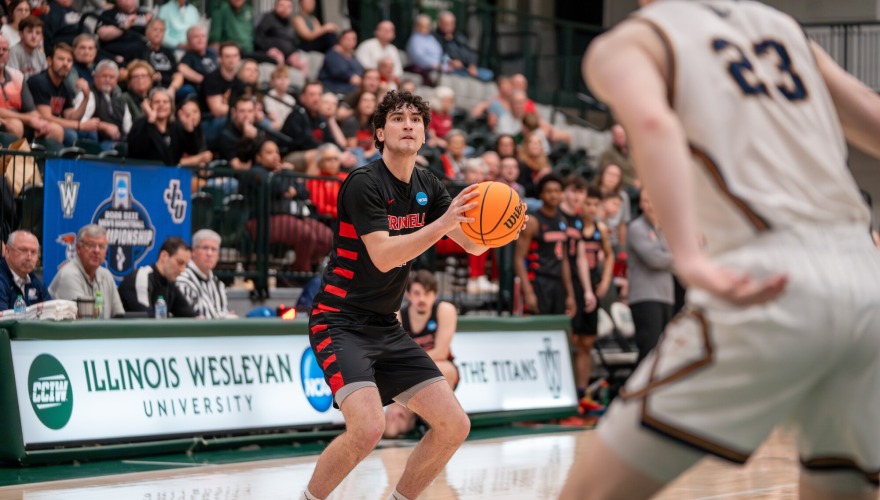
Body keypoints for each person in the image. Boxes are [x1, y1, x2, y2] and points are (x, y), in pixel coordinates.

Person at [560, 1, 880, 499]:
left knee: (589, 493)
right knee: (838, 486)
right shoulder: (783, 29)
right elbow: (871, 113)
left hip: (770, 278)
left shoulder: (631, 42)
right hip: (866, 280)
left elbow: (653, 124)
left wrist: (687, 257)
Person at [302, 90, 504, 500]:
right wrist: (444, 222)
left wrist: (501, 229)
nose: (408, 124)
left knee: (454, 424)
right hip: (339, 321)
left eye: (416, 119)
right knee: (368, 428)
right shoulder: (363, 183)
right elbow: (383, 256)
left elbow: (470, 242)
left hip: (385, 326)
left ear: (426, 134)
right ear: (379, 132)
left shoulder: (428, 183)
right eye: (397, 118)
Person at [384, 270, 459, 439]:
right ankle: (417, 417)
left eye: (427, 293)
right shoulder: (398, 315)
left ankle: (432, 420)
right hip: (410, 377)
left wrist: (411, 365)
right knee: (391, 427)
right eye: (417, 293)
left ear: (435, 295)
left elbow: (441, 352)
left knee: (442, 368)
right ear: (409, 295)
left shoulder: (445, 309)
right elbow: (395, 357)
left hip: (438, 371)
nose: (422, 299)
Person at [514, 174, 575, 316]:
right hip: (538, 281)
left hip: (558, 283)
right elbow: (518, 259)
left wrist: (570, 293)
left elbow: (564, 259)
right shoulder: (533, 222)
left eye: (557, 191)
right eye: (549, 191)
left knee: (558, 330)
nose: (553, 195)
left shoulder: (562, 220)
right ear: (541, 194)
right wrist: (528, 292)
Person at [626, 190, 674, 363]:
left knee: (664, 350)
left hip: (666, 296)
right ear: (640, 204)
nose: (650, 205)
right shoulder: (636, 228)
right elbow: (655, 259)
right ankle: (640, 389)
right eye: (645, 201)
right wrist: (680, 257)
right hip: (645, 296)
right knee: (649, 349)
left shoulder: (665, 229)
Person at [48, 224, 124, 318]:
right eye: (91, 245)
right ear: (78, 248)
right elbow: (84, 322)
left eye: (101, 246)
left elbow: (119, 315)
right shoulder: (68, 275)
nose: (97, 251)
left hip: (101, 332)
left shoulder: (106, 275)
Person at [118, 236, 196, 317]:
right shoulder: (142, 277)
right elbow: (146, 320)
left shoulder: (169, 282)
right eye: (180, 262)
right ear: (164, 256)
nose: (182, 270)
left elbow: (189, 314)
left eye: (185, 265)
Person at [176, 229, 235, 319]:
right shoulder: (183, 281)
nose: (209, 253)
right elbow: (192, 319)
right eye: (205, 248)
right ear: (194, 251)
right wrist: (225, 317)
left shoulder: (218, 284)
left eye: (214, 249)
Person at [0, 230, 50, 310]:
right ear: (7, 251)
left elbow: (50, 311)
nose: (29, 257)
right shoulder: (2, 280)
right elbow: (3, 320)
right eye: (23, 250)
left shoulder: (35, 281)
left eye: (33, 252)